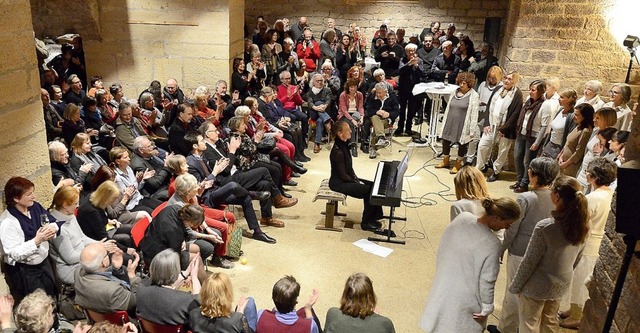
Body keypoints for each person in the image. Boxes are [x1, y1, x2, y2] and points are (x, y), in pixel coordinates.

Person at [420, 197, 520, 333]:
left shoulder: (462, 218)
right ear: (496, 218)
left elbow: (444, 246)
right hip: (466, 301)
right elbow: (487, 281)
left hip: (443, 285)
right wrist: (487, 307)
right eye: (507, 224)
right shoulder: (492, 244)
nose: (506, 228)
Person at [487, 157, 559, 333]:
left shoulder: (526, 198)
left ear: (534, 175)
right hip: (547, 254)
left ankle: (507, 328)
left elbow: (512, 228)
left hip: (521, 251)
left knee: (513, 290)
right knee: (532, 294)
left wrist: (501, 248)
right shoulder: (557, 198)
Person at [509, 175, 589, 333]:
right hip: (561, 282)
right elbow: (578, 257)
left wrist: (516, 286)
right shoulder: (584, 224)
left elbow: (530, 261)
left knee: (529, 323)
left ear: (557, 196)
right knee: (550, 321)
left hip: (537, 285)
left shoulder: (546, 227)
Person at [559, 158, 616, 329]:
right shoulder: (610, 195)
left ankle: (577, 316)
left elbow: (582, 222)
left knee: (580, 281)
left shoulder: (592, 198)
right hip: (597, 244)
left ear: (593, 177)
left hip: (589, 243)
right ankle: (573, 309)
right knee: (580, 279)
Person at [0, 177, 60, 304]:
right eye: (29, 194)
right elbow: (13, 253)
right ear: (16, 198)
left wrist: (52, 229)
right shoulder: (7, 222)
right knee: (37, 304)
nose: (33, 196)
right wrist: (36, 241)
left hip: (44, 262)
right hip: (26, 270)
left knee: (51, 296)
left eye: (33, 192)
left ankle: (55, 322)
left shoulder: (35, 207)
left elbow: (53, 222)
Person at [49, 186, 116, 285]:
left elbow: (82, 238)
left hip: (83, 258)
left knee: (113, 257)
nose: (78, 206)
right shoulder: (58, 229)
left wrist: (100, 244)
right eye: (75, 203)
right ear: (65, 205)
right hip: (70, 268)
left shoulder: (70, 215)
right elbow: (70, 258)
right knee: (108, 268)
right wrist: (98, 247)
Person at [329, 121, 383, 231]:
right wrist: (356, 182)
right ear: (340, 133)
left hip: (346, 179)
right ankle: (366, 222)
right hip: (338, 183)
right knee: (368, 191)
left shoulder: (344, 144)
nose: (351, 131)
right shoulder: (337, 151)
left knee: (373, 185)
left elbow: (349, 169)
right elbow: (343, 175)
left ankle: (374, 217)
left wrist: (356, 178)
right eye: (348, 130)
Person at [139, 204, 208, 284]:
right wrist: (187, 272)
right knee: (196, 260)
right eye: (195, 225)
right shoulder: (173, 230)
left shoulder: (175, 208)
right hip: (156, 254)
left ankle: (198, 277)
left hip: (156, 240)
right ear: (188, 221)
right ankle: (207, 290)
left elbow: (180, 234)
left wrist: (182, 241)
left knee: (196, 248)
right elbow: (175, 255)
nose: (195, 228)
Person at [476, 71, 524, 182]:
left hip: (505, 129)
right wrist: (487, 123)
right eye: (505, 78)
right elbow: (489, 107)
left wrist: (503, 129)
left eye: (510, 79)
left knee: (502, 151)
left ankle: (496, 171)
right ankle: (480, 167)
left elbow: (515, 114)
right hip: (491, 125)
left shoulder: (517, 94)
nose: (506, 81)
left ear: (514, 81)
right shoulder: (498, 89)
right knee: (482, 146)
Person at [136, 249, 200, 330]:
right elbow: (199, 300)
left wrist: (185, 273)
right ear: (176, 271)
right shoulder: (185, 300)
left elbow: (166, 287)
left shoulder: (141, 288)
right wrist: (194, 277)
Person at [75, 243, 141, 315]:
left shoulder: (78, 272)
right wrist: (132, 275)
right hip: (121, 323)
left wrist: (116, 269)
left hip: (97, 318)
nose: (109, 254)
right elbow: (137, 301)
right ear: (103, 263)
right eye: (106, 253)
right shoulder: (113, 291)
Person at [435, 72, 480, 174]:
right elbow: (448, 107)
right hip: (450, 121)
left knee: (462, 144)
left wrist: (472, 130)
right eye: (460, 82)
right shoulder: (454, 92)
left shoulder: (474, 95)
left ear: (469, 83)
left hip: (463, 124)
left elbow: (474, 114)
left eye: (464, 83)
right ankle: (446, 160)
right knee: (445, 140)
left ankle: (458, 163)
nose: (461, 85)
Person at [325, 273, 395, 333]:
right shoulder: (384, 324)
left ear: (345, 294)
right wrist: (377, 319)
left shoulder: (333, 314)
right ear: (370, 297)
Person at [189, 272, 257, 333]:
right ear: (227, 294)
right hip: (234, 322)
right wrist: (240, 313)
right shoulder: (237, 319)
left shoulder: (193, 314)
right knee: (250, 302)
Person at [77, 180, 134, 251]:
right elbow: (103, 237)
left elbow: (102, 218)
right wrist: (126, 250)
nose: (114, 201)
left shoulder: (95, 199)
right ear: (105, 197)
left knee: (131, 228)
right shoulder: (91, 211)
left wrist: (109, 221)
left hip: (103, 229)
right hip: (96, 239)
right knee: (125, 238)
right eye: (114, 198)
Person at [512, 80, 547, 193]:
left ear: (540, 91)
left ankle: (524, 184)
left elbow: (544, 125)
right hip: (521, 133)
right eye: (530, 89)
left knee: (528, 161)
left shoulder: (544, 105)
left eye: (533, 90)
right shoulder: (528, 101)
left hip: (532, 136)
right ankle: (519, 180)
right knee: (517, 157)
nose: (530, 92)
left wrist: (537, 142)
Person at [256, 276, 321, 333]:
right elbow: (310, 328)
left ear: (273, 298)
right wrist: (308, 309)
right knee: (304, 311)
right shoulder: (310, 325)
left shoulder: (261, 315)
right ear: (296, 301)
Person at [109, 147, 162, 215]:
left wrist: (142, 180)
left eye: (128, 156)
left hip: (140, 198)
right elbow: (128, 196)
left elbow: (136, 189)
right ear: (118, 161)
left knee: (162, 207)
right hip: (132, 205)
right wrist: (137, 182)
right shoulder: (117, 178)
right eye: (125, 157)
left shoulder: (128, 168)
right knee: (155, 214)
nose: (129, 159)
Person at [363, 82, 400, 159]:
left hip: (387, 120)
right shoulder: (372, 98)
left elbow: (396, 112)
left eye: (380, 93)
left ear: (386, 92)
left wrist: (388, 114)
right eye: (377, 92)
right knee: (375, 117)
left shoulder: (392, 98)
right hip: (375, 119)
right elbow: (368, 111)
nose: (378, 95)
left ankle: (374, 147)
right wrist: (376, 111)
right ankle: (381, 138)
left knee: (376, 127)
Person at [557, 103, 594, 177]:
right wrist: (561, 155)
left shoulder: (585, 131)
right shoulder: (578, 126)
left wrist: (566, 163)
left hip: (570, 166)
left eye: (577, 115)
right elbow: (568, 143)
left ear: (585, 116)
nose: (574, 117)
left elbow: (579, 152)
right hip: (563, 162)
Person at [396, 43, 425, 136]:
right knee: (402, 109)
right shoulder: (402, 60)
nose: (411, 53)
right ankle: (400, 127)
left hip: (414, 89)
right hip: (403, 88)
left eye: (412, 51)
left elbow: (422, 74)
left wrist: (416, 65)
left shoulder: (419, 61)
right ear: (406, 52)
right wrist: (408, 64)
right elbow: (400, 71)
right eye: (409, 51)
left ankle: (408, 128)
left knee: (411, 110)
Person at [541, 89, 578, 160]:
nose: (559, 99)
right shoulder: (560, 110)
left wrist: (562, 152)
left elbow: (569, 136)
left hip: (559, 148)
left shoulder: (572, 116)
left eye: (562, 97)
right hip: (550, 145)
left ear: (569, 99)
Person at [306, 73, 334, 153]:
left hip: (324, 112)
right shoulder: (310, 92)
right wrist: (316, 107)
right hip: (314, 113)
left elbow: (329, 100)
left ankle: (317, 144)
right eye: (317, 81)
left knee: (320, 121)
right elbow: (310, 102)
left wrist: (324, 106)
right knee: (318, 102)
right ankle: (327, 121)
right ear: (313, 82)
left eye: (321, 80)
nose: (320, 82)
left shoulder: (327, 90)